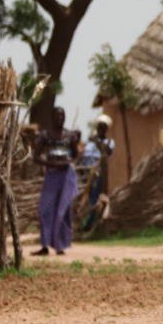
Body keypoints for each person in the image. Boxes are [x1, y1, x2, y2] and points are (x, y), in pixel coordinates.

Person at [32, 106, 80, 256]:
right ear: (52, 118)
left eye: (62, 116)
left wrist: (69, 163)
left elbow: (76, 154)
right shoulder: (45, 135)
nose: (60, 118)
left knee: (63, 210)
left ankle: (60, 245)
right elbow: (36, 156)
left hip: (65, 176)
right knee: (45, 209)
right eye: (57, 116)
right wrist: (52, 164)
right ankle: (45, 245)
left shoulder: (70, 135)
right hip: (51, 175)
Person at [78, 115, 115, 236]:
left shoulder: (109, 142)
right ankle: (80, 221)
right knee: (84, 196)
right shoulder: (89, 142)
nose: (101, 130)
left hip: (97, 173)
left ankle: (89, 222)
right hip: (85, 172)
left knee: (93, 196)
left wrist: (98, 142)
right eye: (99, 127)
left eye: (103, 128)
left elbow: (108, 152)